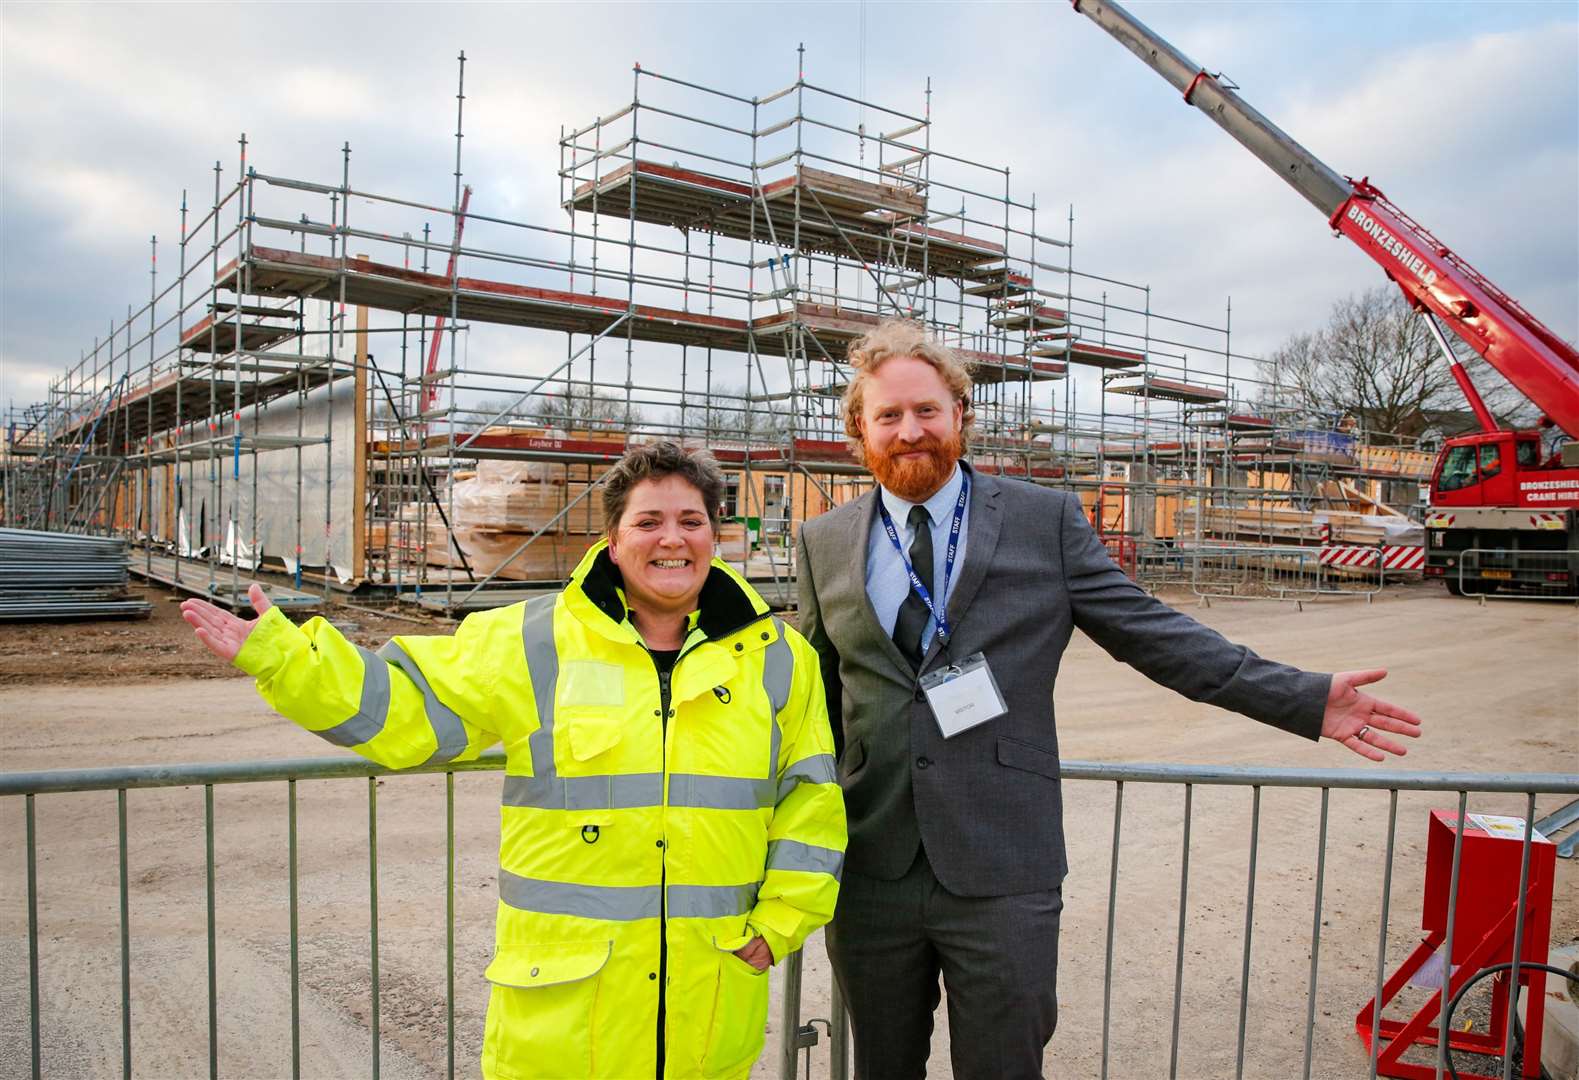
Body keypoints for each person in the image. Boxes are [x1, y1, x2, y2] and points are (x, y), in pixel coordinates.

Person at [795, 320, 1422, 1080]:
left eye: (926, 410)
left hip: (1002, 864)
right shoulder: (822, 539)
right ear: (858, 430)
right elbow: (814, 699)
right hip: (872, 866)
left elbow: (1151, 633)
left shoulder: (1042, 521)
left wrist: (1300, 698)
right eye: (887, 416)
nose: (909, 431)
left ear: (960, 413)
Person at [182, 441, 846, 1080]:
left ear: (714, 535)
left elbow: (809, 798)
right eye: (648, 521)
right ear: (612, 541)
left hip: (706, 1009)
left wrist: (781, 920)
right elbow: (403, 709)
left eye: (689, 521)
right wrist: (284, 657)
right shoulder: (529, 640)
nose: (670, 539)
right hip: (565, 1019)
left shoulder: (778, 659)